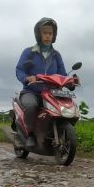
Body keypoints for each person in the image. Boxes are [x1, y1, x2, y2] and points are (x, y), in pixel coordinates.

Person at [15, 17, 67, 147]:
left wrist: (70, 81)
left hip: (51, 93)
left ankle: (58, 133)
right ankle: (30, 135)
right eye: (45, 33)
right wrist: (27, 78)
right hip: (31, 91)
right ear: (39, 34)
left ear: (54, 35)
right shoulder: (29, 52)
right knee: (32, 106)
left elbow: (63, 74)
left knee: (63, 108)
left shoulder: (56, 55)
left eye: (50, 33)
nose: (48, 36)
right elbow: (19, 70)